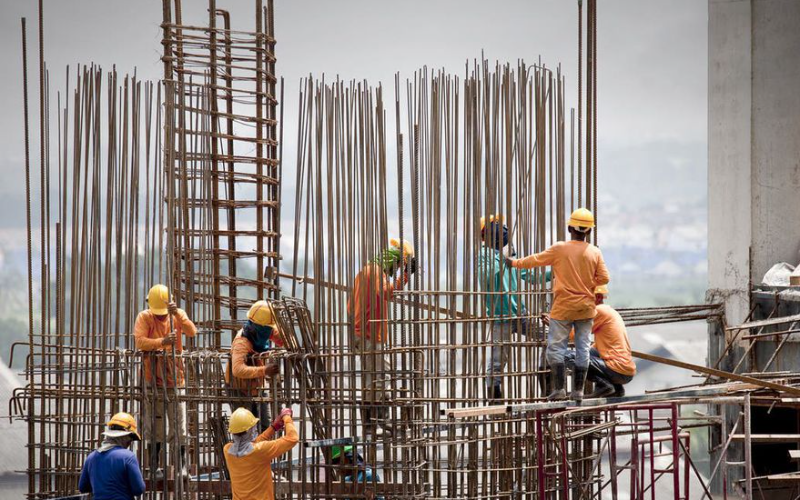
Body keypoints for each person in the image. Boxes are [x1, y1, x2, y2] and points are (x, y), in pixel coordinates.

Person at [507, 208, 610, 401]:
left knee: (556, 348)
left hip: (563, 308)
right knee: (583, 348)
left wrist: (514, 263)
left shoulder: (560, 249)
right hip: (586, 308)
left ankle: (560, 389)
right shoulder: (595, 252)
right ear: (588, 231)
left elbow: (535, 260)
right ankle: (578, 391)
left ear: (570, 227)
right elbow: (604, 277)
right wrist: (587, 285)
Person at [347, 238, 416, 437]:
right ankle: (377, 422)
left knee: (372, 378)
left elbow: (350, 306)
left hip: (362, 332)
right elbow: (386, 293)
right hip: (371, 333)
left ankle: (373, 424)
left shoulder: (364, 272)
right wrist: (405, 275)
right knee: (379, 378)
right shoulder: (376, 272)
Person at [477, 214, 549, 404]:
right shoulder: (483, 256)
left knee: (550, 338)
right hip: (501, 317)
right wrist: (505, 258)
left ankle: (546, 380)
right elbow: (487, 276)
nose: (502, 230)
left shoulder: (508, 254)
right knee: (498, 361)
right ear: (486, 234)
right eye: (497, 227)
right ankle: (495, 399)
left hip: (521, 314)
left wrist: (556, 270)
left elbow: (531, 276)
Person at [134, 284, 197, 479]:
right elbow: (140, 341)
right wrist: (162, 342)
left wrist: (177, 313)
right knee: (154, 425)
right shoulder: (145, 317)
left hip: (175, 379)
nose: (161, 317)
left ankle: (182, 467)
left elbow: (191, 331)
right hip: (152, 379)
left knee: (179, 425)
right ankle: (154, 469)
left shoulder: (176, 315)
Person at [561, 285, 635, 398]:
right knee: (586, 354)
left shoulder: (599, 311)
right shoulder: (610, 312)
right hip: (624, 372)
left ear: (599, 297)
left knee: (565, 356)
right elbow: (592, 349)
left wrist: (556, 326)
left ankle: (605, 385)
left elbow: (575, 335)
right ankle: (616, 388)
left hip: (617, 370)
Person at [226, 300, 284, 430]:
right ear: (258, 326)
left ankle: (264, 449)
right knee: (246, 428)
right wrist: (264, 370)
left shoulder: (265, 328)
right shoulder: (242, 342)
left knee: (265, 424)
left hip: (258, 385)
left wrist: (288, 339)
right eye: (267, 328)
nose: (269, 331)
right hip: (239, 388)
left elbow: (284, 340)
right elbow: (237, 369)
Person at [224, 407, 299, 500]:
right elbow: (292, 438)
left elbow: (251, 444)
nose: (254, 430)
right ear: (248, 431)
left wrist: (273, 428)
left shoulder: (227, 450)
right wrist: (286, 417)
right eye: (253, 428)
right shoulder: (260, 451)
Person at [78, 412, 146, 500]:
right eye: (130, 439)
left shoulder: (91, 457)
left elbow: (83, 487)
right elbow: (138, 489)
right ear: (125, 437)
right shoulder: (128, 457)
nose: (129, 443)